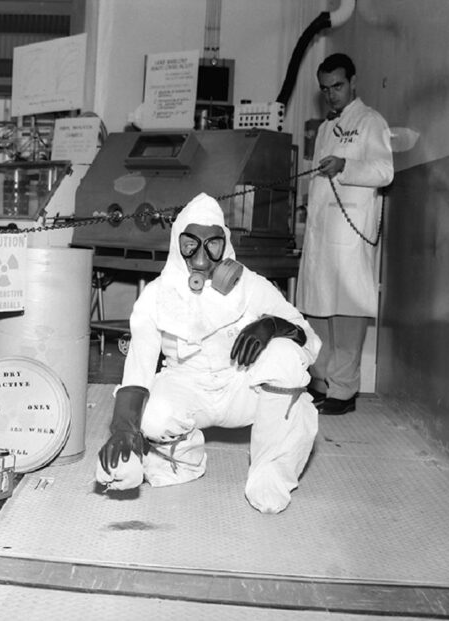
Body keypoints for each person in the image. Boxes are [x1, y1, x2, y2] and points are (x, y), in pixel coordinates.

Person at [95, 193, 321, 514]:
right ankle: (184, 460)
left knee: (285, 357)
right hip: (188, 387)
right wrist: (122, 428)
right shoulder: (157, 295)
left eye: (212, 246)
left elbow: (307, 337)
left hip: (243, 385)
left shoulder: (251, 286)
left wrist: (272, 325)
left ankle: (270, 474)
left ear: (225, 246)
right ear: (177, 244)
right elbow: (139, 367)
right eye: (190, 245)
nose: (201, 259)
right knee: (150, 416)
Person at [297, 53, 394, 416]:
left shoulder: (372, 122)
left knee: (347, 312)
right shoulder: (324, 128)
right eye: (325, 89)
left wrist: (346, 166)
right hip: (321, 232)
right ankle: (321, 383)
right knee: (318, 308)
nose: (332, 95)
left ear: (353, 82)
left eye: (337, 86)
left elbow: (385, 171)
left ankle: (344, 390)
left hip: (350, 234)